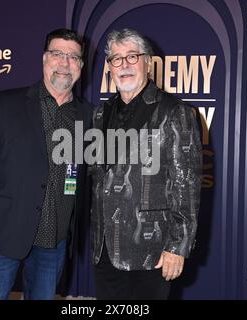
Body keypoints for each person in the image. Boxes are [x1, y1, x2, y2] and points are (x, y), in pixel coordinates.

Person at [0, 28, 93, 300]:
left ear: (81, 66)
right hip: (4, 233)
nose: (64, 63)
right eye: (57, 54)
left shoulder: (87, 115)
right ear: (44, 59)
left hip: (54, 239)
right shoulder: (6, 104)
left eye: (73, 57)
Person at [90, 29, 202, 299]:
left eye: (132, 56)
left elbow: (186, 185)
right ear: (109, 67)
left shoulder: (175, 111)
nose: (124, 65)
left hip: (151, 250)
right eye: (116, 59)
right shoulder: (100, 113)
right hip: (104, 248)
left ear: (148, 63)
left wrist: (178, 246)